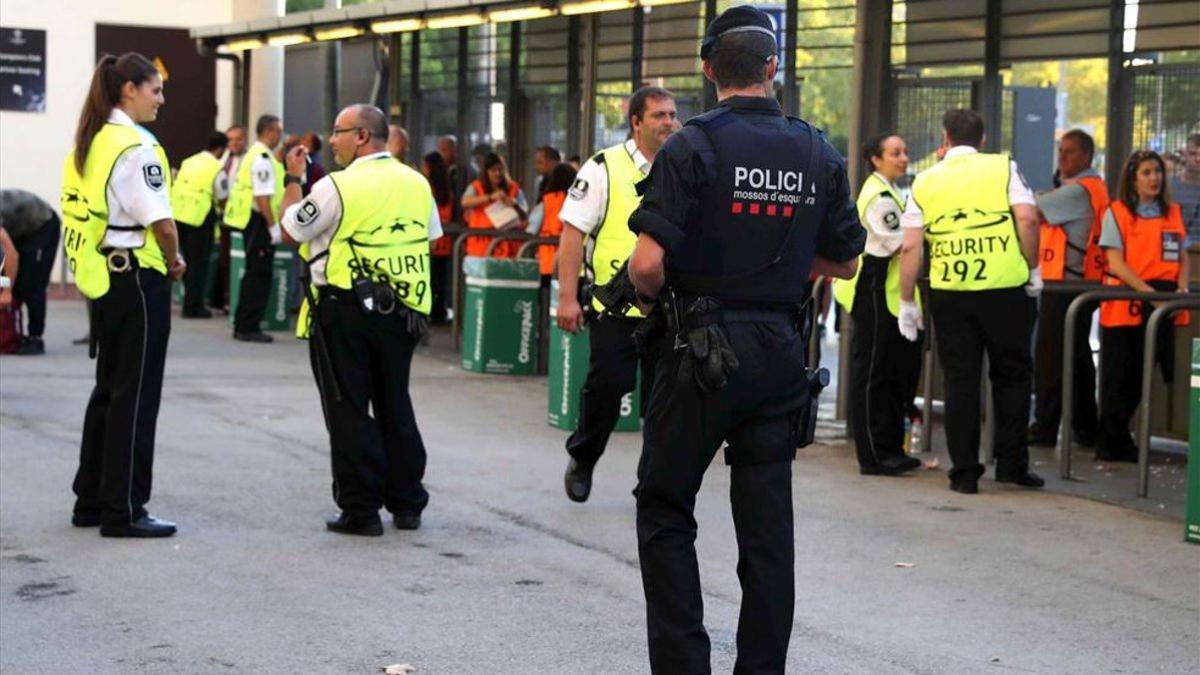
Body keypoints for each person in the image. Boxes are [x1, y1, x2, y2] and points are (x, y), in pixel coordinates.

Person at [625, 7, 864, 669]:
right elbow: (845, 259)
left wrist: (650, 298)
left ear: (708, 70)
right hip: (778, 354)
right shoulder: (817, 149)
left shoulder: (692, 146)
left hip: (699, 350)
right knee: (767, 527)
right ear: (772, 67)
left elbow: (647, 264)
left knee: (666, 502)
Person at [278, 103, 440, 536]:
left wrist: (294, 180)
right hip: (404, 312)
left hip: (345, 310)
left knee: (348, 408)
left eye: (338, 131)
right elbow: (429, 236)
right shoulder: (417, 183)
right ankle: (408, 503)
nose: (331, 141)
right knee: (395, 404)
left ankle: (361, 510)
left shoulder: (337, 186)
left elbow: (292, 229)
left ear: (362, 136)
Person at [60, 53, 186, 537]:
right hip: (137, 277)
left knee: (109, 389)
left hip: (104, 277)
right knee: (136, 394)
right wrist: (175, 259)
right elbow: (163, 223)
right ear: (128, 89)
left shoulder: (89, 142)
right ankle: (125, 508)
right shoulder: (135, 146)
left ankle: (90, 500)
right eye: (155, 89)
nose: (161, 98)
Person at [898, 108, 1044, 494]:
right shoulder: (1003, 168)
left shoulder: (926, 180)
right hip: (1006, 292)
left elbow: (911, 245)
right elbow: (1028, 220)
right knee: (1012, 377)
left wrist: (907, 300)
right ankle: (1012, 465)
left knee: (961, 382)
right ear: (982, 139)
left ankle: (964, 473)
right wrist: (1033, 268)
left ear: (945, 138)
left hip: (950, 295)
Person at [555, 85, 677, 504]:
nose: (669, 123)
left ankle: (652, 483)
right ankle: (584, 456)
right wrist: (568, 298)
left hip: (668, 306)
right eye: (659, 115)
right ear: (636, 122)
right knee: (607, 387)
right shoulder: (602, 168)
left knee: (665, 399)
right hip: (616, 304)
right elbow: (573, 236)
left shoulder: (682, 167)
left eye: (672, 115)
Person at [832, 133, 923, 475]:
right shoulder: (879, 197)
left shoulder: (892, 192)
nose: (903, 158)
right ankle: (872, 454)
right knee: (871, 373)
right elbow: (900, 241)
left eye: (905, 151)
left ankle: (888, 447)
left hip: (883, 289)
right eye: (895, 152)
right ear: (875, 158)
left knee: (886, 372)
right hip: (872, 286)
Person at [1096, 150, 1190, 462]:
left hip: (1162, 299)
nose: (1154, 178)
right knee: (1117, 376)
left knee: (1140, 375)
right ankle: (1111, 442)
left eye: (1158, 172)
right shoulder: (1118, 212)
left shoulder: (1171, 212)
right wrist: (1148, 292)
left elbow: (1183, 254)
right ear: (1133, 179)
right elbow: (1115, 261)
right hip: (1128, 299)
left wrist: (1182, 287)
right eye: (1147, 173)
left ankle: (1120, 440)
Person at [1028, 129, 1107, 447]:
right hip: (1080, 282)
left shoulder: (1078, 192)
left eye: (1071, 152)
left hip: (1065, 286)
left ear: (1087, 156)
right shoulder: (1091, 188)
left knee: (1051, 359)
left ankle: (1045, 428)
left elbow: (1032, 211)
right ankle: (1085, 427)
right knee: (1076, 359)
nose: (1062, 157)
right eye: (1061, 150)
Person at [223, 114, 284, 343]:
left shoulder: (259, 155)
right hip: (258, 223)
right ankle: (248, 326)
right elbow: (262, 197)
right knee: (258, 276)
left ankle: (245, 324)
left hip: (254, 222)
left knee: (255, 274)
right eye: (278, 131)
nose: (280, 136)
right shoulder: (261, 158)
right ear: (269, 131)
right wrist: (273, 226)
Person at [170, 131, 228, 319]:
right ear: (220, 149)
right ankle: (193, 306)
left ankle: (189, 300)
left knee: (187, 260)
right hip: (200, 217)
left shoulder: (189, 161)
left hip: (179, 215)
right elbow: (222, 196)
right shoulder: (216, 167)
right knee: (199, 263)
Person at [0, 189, 62, 354]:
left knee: (32, 281)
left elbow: (10, 256)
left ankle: (35, 337)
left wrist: (6, 291)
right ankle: (12, 332)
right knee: (15, 281)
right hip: (18, 226)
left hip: (42, 224)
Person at [460, 152, 527, 258]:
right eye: (493, 170)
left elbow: (525, 213)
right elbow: (465, 202)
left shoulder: (514, 188)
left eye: (500, 169)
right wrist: (489, 197)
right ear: (486, 172)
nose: (498, 173)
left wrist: (514, 204)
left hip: (509, 248)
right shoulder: (476, 186)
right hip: (481, 247)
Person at [211, 124, 247, 314]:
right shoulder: (223, 160)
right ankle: (225, 299)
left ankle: (234, 300)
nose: (234, 143)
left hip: (242, 218)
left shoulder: (249, 160)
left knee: (239, 261)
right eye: (231, 140)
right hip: (225, 217)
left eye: (238, 139)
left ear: (245, 139)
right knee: (225, 260)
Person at [527, 162, 576, 280]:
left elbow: (531, 227)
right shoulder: (576, 201)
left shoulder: (547, 200)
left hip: (548, 259)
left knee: (547, 294)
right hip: (572, 261)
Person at [422, 150, 455, 324]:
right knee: (440, 279)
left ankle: (431, 310)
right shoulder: (447, 189)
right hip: (445, 241)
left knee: (430, 277)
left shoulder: (426, 188)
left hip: (431, 240)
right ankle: (439, 310)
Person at [1170, 134, 1200, 243]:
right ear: (1185, 155)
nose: (1198, 159)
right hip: (1176, 250)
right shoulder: (1169, 186)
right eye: (1193, 154)